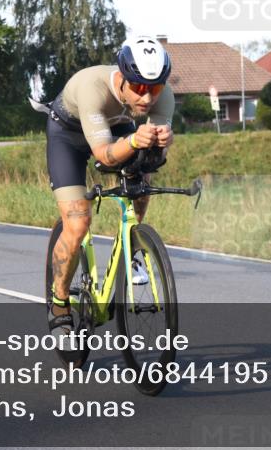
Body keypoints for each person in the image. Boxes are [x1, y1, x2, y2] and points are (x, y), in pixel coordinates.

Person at [39, 36, 175, 329]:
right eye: (139, 88)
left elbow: (155, 155)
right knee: (78, 223)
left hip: (115, 127)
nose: (147, 98)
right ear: (123, 78)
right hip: (69, 135)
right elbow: (104, 155)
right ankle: (59, 306)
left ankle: (133, 248)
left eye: (155, 88)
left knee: (144, 174)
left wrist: (162, 144)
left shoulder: (164, 97)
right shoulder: (93, 87)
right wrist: (135, 140)